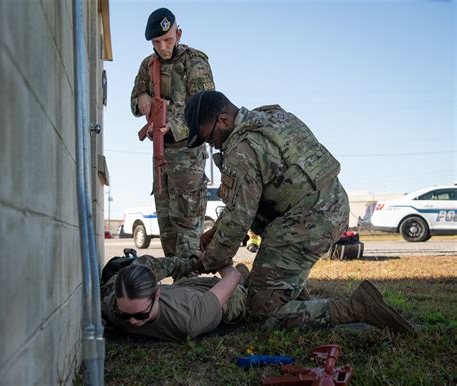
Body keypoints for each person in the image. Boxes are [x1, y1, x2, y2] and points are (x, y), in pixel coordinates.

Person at [183, 90, 414, 334]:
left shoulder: (241, 149)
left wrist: (209, 260)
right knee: (272, 281)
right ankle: (296, 301)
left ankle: (358, 308)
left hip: (306, 222)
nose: (213, 145)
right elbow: (251, 197)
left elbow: (240, 217)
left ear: (224, 120)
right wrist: (216, 232)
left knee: (261, 315)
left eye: (210, 138)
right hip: (329, 207)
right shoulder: (270, 117)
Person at [130, 8, 215, 261]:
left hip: (188, 160)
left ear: (178, 34)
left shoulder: (195, 62)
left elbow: (206, 112)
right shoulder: (149, 65)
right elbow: (134, 103)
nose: (163, 47)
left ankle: (192, 294)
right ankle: (178, 294)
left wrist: (173, 125)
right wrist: (142, 100)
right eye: (157, 42)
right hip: (161, 161)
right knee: (167, 232)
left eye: (168, 40)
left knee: (188, 235)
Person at [101, 254, 247, 341]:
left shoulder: (189, 318)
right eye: (124, 314)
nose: (132, 321)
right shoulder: (111, 303)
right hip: (185, 288)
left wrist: (211, 258)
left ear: (156, 294)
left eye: (141, 314)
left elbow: (232, 276)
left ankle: (245, 274)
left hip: (229, 299)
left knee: (245, 288)